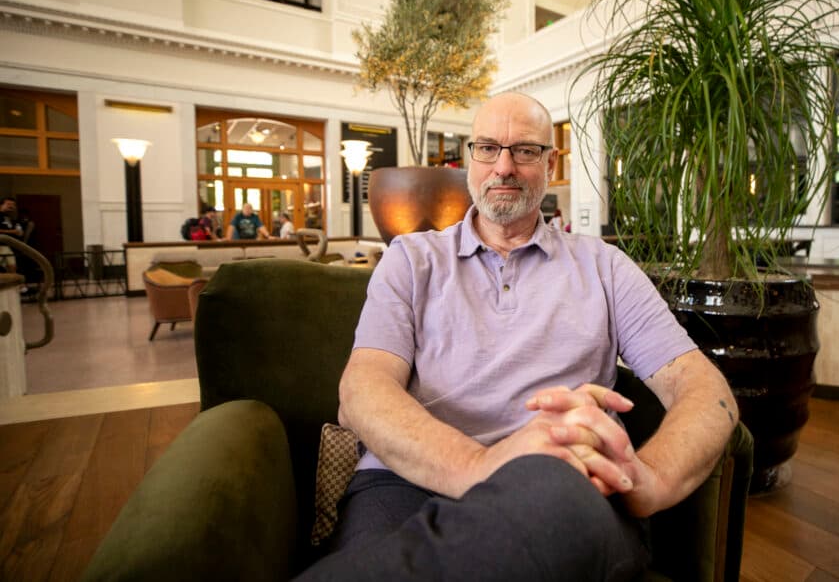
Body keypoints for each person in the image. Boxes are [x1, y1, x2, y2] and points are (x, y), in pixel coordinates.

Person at [296, 92, 737, 581]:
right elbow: (362, 391)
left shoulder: (606, 267)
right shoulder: (411, 259)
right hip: (406, 481)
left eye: (524, 151)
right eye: (487, 148)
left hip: (559, 485)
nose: (503, 166)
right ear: (469, 159)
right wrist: (481, 463)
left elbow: (706, 390)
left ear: (549, 162)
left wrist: (650, 477)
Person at [0, 197, 24, 273]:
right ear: (1, 205)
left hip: (9, 246)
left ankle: (15, 284)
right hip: (1, 245)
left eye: (13, 205)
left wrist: (19, 232)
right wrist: (12, 231)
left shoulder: (11, 218)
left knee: (12, 267)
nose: (11, 206)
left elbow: (18, 231)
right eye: (8, 204)